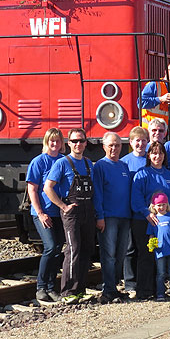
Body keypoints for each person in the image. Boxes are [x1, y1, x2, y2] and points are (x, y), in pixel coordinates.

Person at [44, 128, 102, 305]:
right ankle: (68, 291)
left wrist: (99, 215)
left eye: (81, 141)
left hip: (88, 211)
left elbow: (96, 192)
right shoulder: (62, 163)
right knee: (73, 249)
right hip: (72, 213)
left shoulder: (88, 164)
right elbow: (48, 187)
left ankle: (80, 289)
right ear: (69, 143)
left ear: (86, 143)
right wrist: (63, 206)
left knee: (86, 249)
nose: (78, 144)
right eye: (74, 141)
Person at [131, 140, 170, 299]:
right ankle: (145, 291)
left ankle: (163, 290)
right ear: (149, 155)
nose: (157, 156)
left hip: (167, 222)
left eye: (160, 153)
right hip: (145, 221)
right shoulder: (142, 173)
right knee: (147, 254)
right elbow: (136, 197)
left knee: (165, 255)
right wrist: (147, 213)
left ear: (164, 156)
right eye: (154, 153)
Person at [92, 132, 132, 304]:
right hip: (108, 217)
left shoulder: (123, 166)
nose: (114, 148)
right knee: (108, 254)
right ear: (104, 147)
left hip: (125, 216)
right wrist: (99, 216)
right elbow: (98, 193)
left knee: (121, 253)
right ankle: (108, 290)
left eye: (117, 145)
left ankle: (113, 286)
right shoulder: (100, 166)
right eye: (111, 145)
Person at [27, 127, 65, 303]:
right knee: (50, 247)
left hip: (59, 213)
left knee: (58, 249)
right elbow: (32, 189)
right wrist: (40, 212)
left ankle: (51, 287)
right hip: (43, 212)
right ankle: (41, 287)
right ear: (46, 142)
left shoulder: (64, 160)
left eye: (57, 141)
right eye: (52, 140)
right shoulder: (38, 162)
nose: (55, 143)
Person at [120, 126, 148, 297]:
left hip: (147, 213)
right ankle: (130, 283)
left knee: (146, 249)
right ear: (131, 143)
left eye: (143, 140)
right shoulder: (124, 162)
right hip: (129, 211)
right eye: (137, 140)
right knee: (130, 248)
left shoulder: (151, 160)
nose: (140, 143)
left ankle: (145, 282)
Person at [138, 60, 170, 138]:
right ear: (166, 72)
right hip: (150, 134)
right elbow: (140, 103)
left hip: (167, 137)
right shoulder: (154, 85)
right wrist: (160, 99)